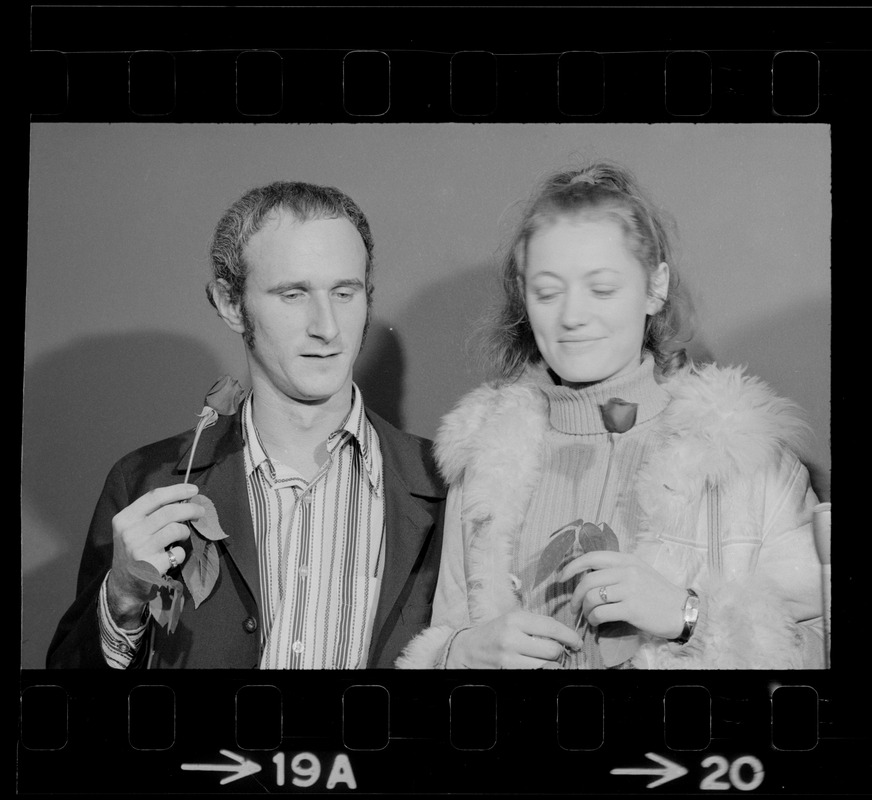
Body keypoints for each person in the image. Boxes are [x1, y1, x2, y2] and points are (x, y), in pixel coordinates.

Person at [396, 162, 825, 670]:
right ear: (522, 292)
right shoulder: (485, 457)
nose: (572, 316)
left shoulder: (740, 450)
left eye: (601, 289)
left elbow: (817, 650)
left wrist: (689, 616)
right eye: (548, 292)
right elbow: (448, 632)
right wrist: (459, 653)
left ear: (655, 286)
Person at [47, 181, 445, 669]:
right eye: (293, 294)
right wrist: (122, 602)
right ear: (231, 304)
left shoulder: (449, 484)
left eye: (345, 292)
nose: (327, 326)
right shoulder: (147, 482)